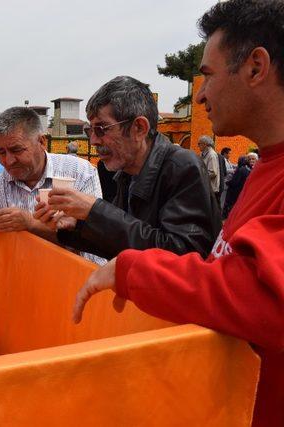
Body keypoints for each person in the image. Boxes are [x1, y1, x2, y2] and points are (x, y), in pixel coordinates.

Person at [72, 2, 284, 424]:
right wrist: (66, 229)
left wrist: (136, 272)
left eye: (206, 75)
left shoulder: (183, 165)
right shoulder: (266, 167)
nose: (200, 95)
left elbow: (265, 296)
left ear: (256, 68)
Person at [35, 76, 221, 260]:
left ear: (139, 128)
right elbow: (123, 243)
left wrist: (94, 211)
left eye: (101, 128)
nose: (93, 141)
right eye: (89, 130)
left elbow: (181, 254)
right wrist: (75, 225)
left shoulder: (182, 167)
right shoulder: (126, 173)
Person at [0, 107, 102, 269]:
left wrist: (31, 223)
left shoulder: (80, 172)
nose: (9, 161)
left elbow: (98, 244)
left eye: (16, 150)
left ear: (41, 142)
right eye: (2, 152)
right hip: (25, 288)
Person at [198, 135, 221, 200]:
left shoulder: (211, 155)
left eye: (199, 144)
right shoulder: (204, 154)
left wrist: (199, 175)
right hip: (206, 188)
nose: (198, 146)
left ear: (205, 144)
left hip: (210, 189)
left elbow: (213, 172)